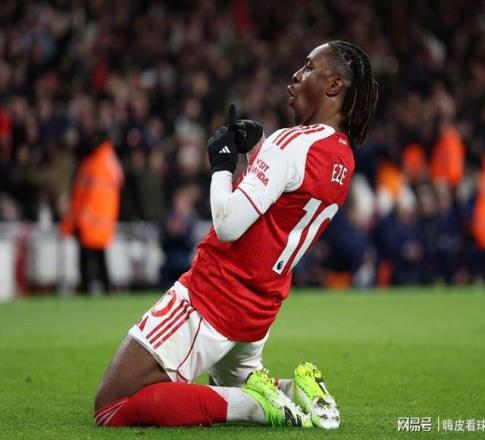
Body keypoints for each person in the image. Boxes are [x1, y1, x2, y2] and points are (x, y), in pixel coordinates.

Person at [94, 40, 378, 429]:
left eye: (309, 67)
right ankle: (293, 392)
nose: (296, 75)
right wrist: (257, 150)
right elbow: (284, 209)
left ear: (334, 86)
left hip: (214, 294)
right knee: (224, 384)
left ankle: (254, 405)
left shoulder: (290, 142)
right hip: (259, 307)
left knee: (113, 404)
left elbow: (228, 224)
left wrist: (221, 167)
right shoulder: (343, 158)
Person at [60, 139, 123, 293]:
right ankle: (105, 288)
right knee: (100, 258)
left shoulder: (92, 164)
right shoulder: (109, 161)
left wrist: (73, 220)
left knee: (87, 259)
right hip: (102, 221)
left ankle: (87, 287)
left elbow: (83, 196)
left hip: (88, 220)